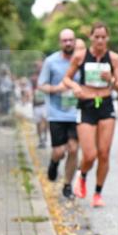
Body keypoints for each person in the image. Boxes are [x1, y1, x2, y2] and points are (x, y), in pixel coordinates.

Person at [62, 22, 118, 207]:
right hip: (86, 105)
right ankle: (83, 174)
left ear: (108, 38)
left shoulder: (114, 58)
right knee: (90, 154)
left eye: (104, 37)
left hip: (105, 104)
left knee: (104, 153)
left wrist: (110, 79)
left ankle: (97, 193)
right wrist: (76, 87)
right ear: (91, 38)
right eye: (97, 37)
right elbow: (66, 78)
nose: (100, 40)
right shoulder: (80, 56)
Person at [38, 29, 81, 198]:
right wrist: (57, 89)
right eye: (65, 40)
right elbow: (42, 85)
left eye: (71, 40)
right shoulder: (51, 61)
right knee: (59, 151)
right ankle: (54, 163)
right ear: (60, 42)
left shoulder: (80, 60)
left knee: (73, 149)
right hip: (56, 114)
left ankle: (68, 185)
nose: (68, 43)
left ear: (75, 41)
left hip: (76, 113)